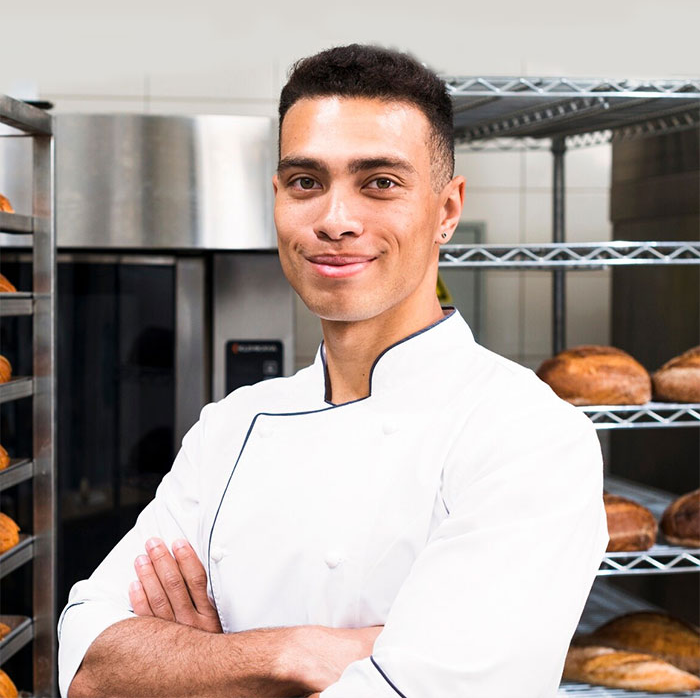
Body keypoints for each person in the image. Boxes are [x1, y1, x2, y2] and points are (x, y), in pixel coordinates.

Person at [59, 44, 608, 698]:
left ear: (447, 210)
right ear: (278, 198)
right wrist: (298, 655)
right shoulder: (230, 427)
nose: (335, 220)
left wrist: (203, 666)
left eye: (380, 183)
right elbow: (88, 665)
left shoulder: (528, 436)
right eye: (306, 182)